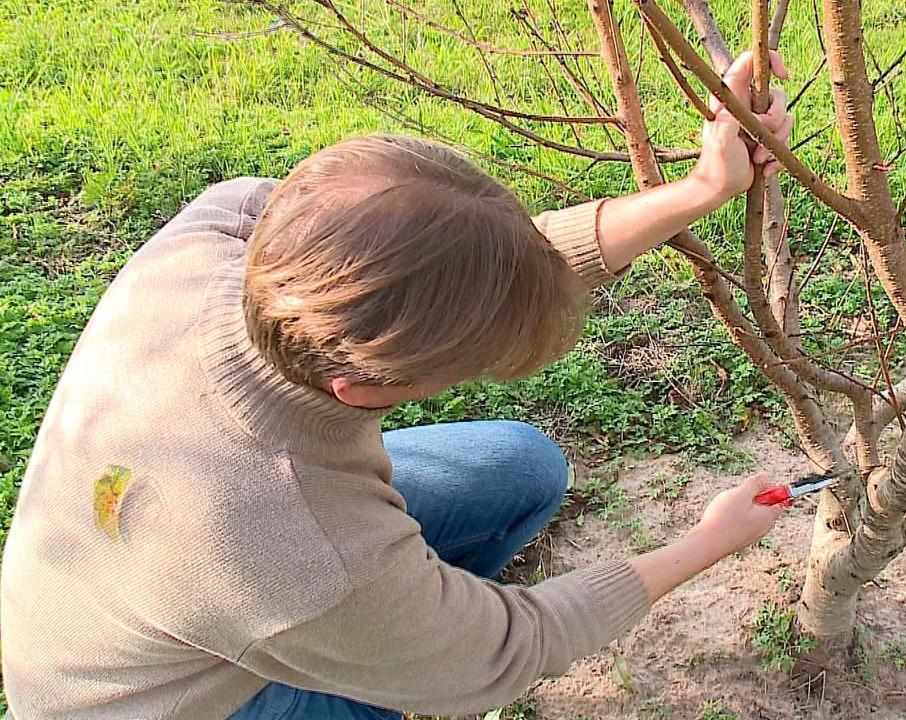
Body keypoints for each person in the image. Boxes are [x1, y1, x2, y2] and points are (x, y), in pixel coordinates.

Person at [0, 52, 794, 719]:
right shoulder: (304, 554)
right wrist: (710, 540)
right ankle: (397, 646)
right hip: (158, 701)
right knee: (425, 651)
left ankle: (403, 626)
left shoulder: (225, 232)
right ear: (360, 388)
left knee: (520, 467)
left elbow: (457, 274)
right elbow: (515, 649)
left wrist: (701, 190)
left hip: (130, 574)